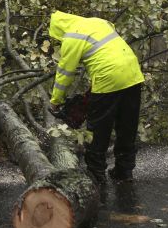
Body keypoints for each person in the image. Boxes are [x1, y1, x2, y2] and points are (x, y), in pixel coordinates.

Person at [48, 10, 144, 182]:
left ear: (58, 30)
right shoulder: (98, 22)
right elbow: (106, 50)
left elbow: (65, 73)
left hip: (108, 79)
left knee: (98, 129)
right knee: (127, 126)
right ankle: (124, 171)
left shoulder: (72, 36)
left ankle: (96, 173)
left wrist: (56, 101)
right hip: (133, 73)